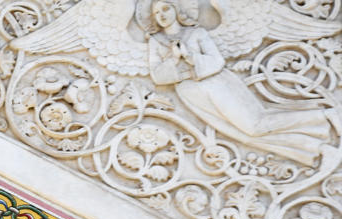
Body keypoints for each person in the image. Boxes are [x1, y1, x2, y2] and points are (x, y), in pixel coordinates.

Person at [143, 0, 339, 167]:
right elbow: (158, 77)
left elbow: (217, 61)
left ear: (177, 9)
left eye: (166, 8)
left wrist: (190, 57)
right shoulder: (155, 41)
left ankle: (325, 116)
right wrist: (173, 59)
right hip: (191, 95)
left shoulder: (196, 33)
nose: (162, 15)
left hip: (215, 84)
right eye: (156, 13)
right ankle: (315, 147)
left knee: (254, 125)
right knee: (244, 136)